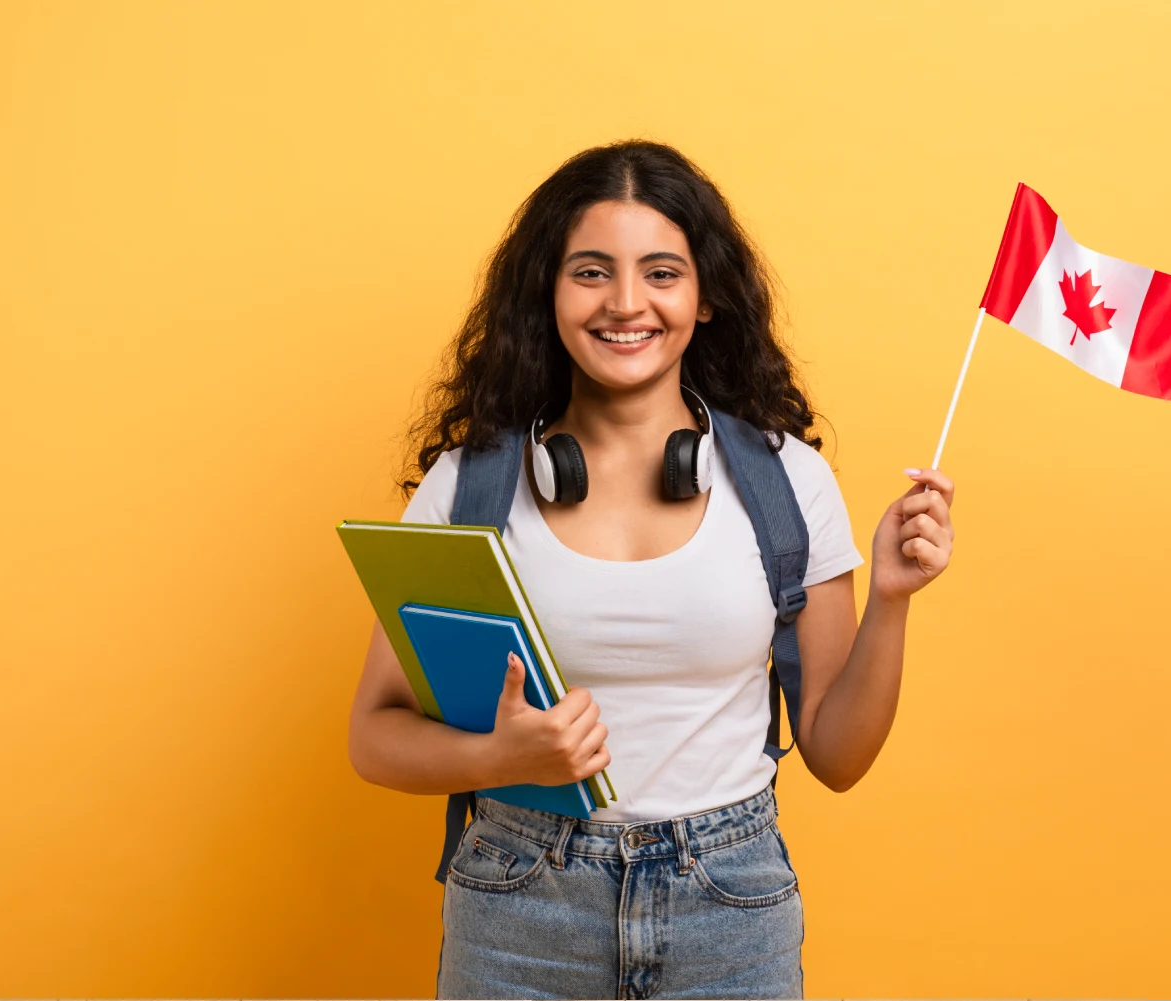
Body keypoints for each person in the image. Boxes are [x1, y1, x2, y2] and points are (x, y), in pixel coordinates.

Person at [347, 139, 956, 1000]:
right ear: (548, 294)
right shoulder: (473, 484)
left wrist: (892, 601)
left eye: (662, 272)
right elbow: (374, 736)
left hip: (729, 906)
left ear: (705, 297)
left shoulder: (788, 482)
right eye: (591, 272)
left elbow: (838, 755)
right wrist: (499, 753)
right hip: (521, 907)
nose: (626, 303)